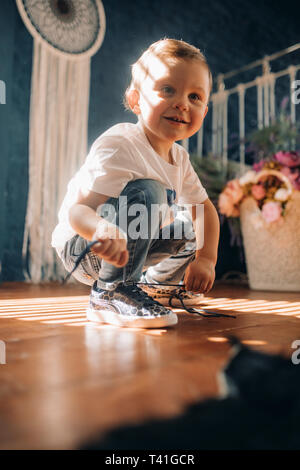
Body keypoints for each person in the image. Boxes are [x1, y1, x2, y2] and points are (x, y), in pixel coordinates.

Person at [51, 38, 220, 328]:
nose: (181, 103)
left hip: (130, 246)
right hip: (87, 247)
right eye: (168, 89)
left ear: (203, 112)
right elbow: (78, 212)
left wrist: (206, 259)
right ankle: (110, 292)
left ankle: (157, 285)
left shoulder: (179, 158)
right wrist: (101, 228)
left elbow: (205, 210)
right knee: (149, 190)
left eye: (195, 97)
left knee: (192, 223)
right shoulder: (120, 144)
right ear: (135, 100)